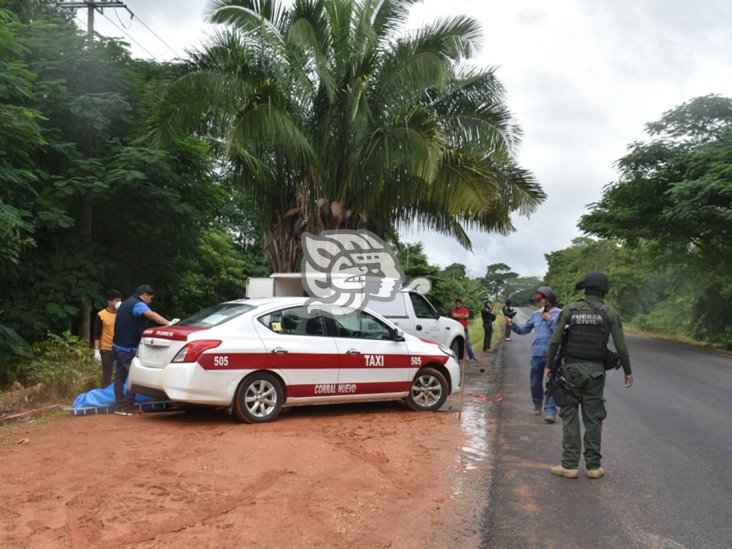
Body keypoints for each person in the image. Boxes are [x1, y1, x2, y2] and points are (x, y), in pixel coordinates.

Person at [545, 272, 634, 480]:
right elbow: (621, 347)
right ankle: (594, 467)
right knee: (593, 419)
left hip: (570, 372)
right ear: (604, 290)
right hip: (595, 373)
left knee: (570, 417)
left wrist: (550, 366)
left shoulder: (569, 310)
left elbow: (555, 341)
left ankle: (569, 465)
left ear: (585, 288)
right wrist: (628, 371)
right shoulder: (609, 313)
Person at [112, 285, 171, 414]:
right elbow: (152, 316)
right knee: (136, 375)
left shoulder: (125, 303)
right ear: (144, 295)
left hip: (117, 345)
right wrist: (169, 324)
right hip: (127, 348)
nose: (150, 301)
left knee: (120, 377)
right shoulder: (138, 304)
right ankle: (127, 407)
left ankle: (118, 405)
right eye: (150, 298)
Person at [507, 287, 561, 422]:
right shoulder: (535, 315)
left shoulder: (560, 314)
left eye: (539, 300)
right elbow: (523, 330)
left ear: (548, 300)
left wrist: (549, 319)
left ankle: (550, 411)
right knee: (535, 382)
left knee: (552, 382)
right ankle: (537, 403)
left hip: (553, 354)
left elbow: (561, 332)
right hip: (537, 353)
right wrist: (512, 324)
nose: (537, 303)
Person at [93, 289, 122, 386]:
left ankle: (119, 395)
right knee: (107, 375)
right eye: (117, 300)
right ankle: (104, 396)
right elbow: (96, 334)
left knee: (121, 374)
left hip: (120, 348)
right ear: (109, 301)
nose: (119, 303)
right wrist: (96, 351)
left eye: (120, 300)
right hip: (106, 349)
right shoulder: (101, 315)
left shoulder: (122, 314)